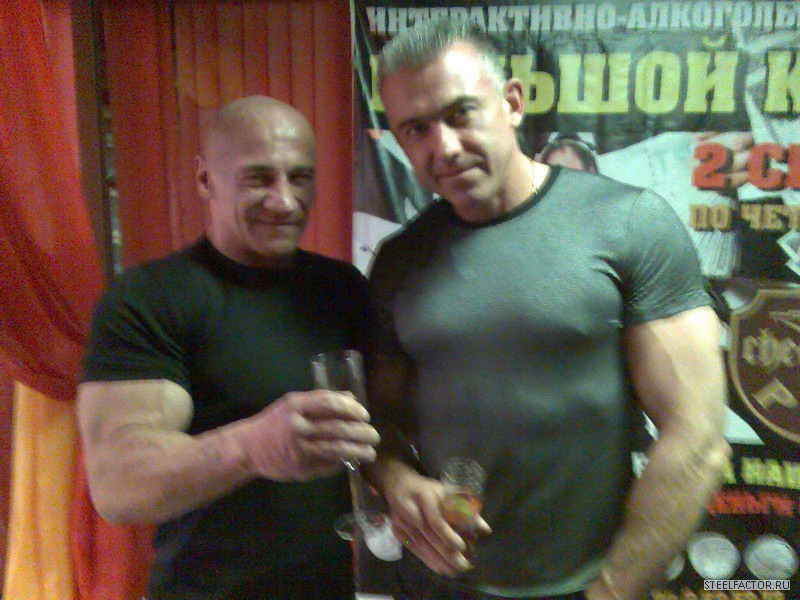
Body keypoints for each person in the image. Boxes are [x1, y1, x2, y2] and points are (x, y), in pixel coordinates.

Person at [363, 18, 731, 600]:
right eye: (416, 128)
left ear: (512, 103)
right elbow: (376, 426)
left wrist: (610, 592)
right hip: (438, 586)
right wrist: (396, 479)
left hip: (590, 586)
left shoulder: (629, 223)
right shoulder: (398, 261)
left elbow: (699, 439)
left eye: (461, 113)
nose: (445, 146)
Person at [77, 95, 381, 600]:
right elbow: (118, 484)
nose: (284, 202)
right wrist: (251, 446)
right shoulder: (149, 298)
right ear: (205, 180)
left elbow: (381, 426)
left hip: (328, 586)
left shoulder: (343, 288)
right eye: (258, 178)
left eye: (300, 177)